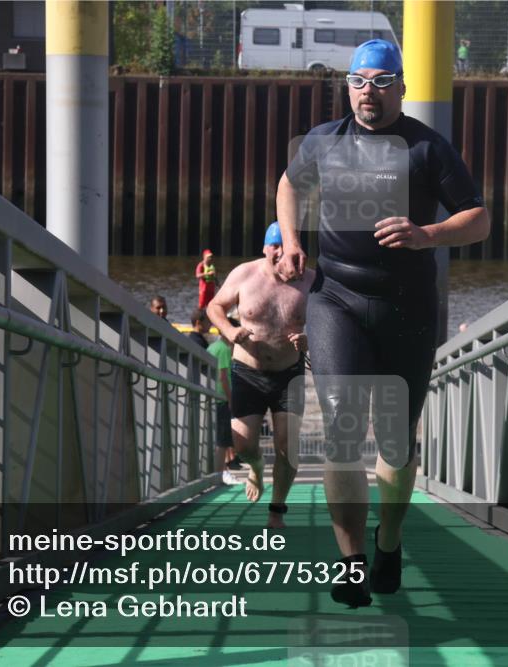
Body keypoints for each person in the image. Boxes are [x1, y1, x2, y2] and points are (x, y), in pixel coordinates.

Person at [275, 39, 490, 607]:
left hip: (407, 304)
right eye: (359, 80)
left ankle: (388, 539)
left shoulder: (426, 148)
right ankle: (350, 562)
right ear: (347, 87)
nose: (368, 91)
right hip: (336, 296)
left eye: (380, 80)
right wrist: (293, 242)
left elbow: (479, 219)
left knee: (396, 443)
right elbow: (290, 184)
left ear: (400, 86)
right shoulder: (323, 141)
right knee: (343, 430)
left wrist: (427, 235)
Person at [206, 222, 315, 529]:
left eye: (286, 246)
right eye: (274, 246)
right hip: (247, 372)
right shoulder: (245, 275)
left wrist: (311, 339)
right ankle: (255, 468)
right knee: (244, 446)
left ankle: (276, 510)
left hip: (288, 374)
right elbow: (215, 306)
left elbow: (330, 322)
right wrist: (228, 330)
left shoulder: (311, 281)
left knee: (287, 444)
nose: (280, 253)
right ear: (265, 248)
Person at [208, 321, 244, 485]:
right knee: (222, 440)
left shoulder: (213, 347)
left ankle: (219, 472)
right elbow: (223, 376)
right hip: (222, 399)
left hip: (211, 396)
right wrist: (231, 399)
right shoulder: (223, 349)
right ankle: (221, 473)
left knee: (217, 439)